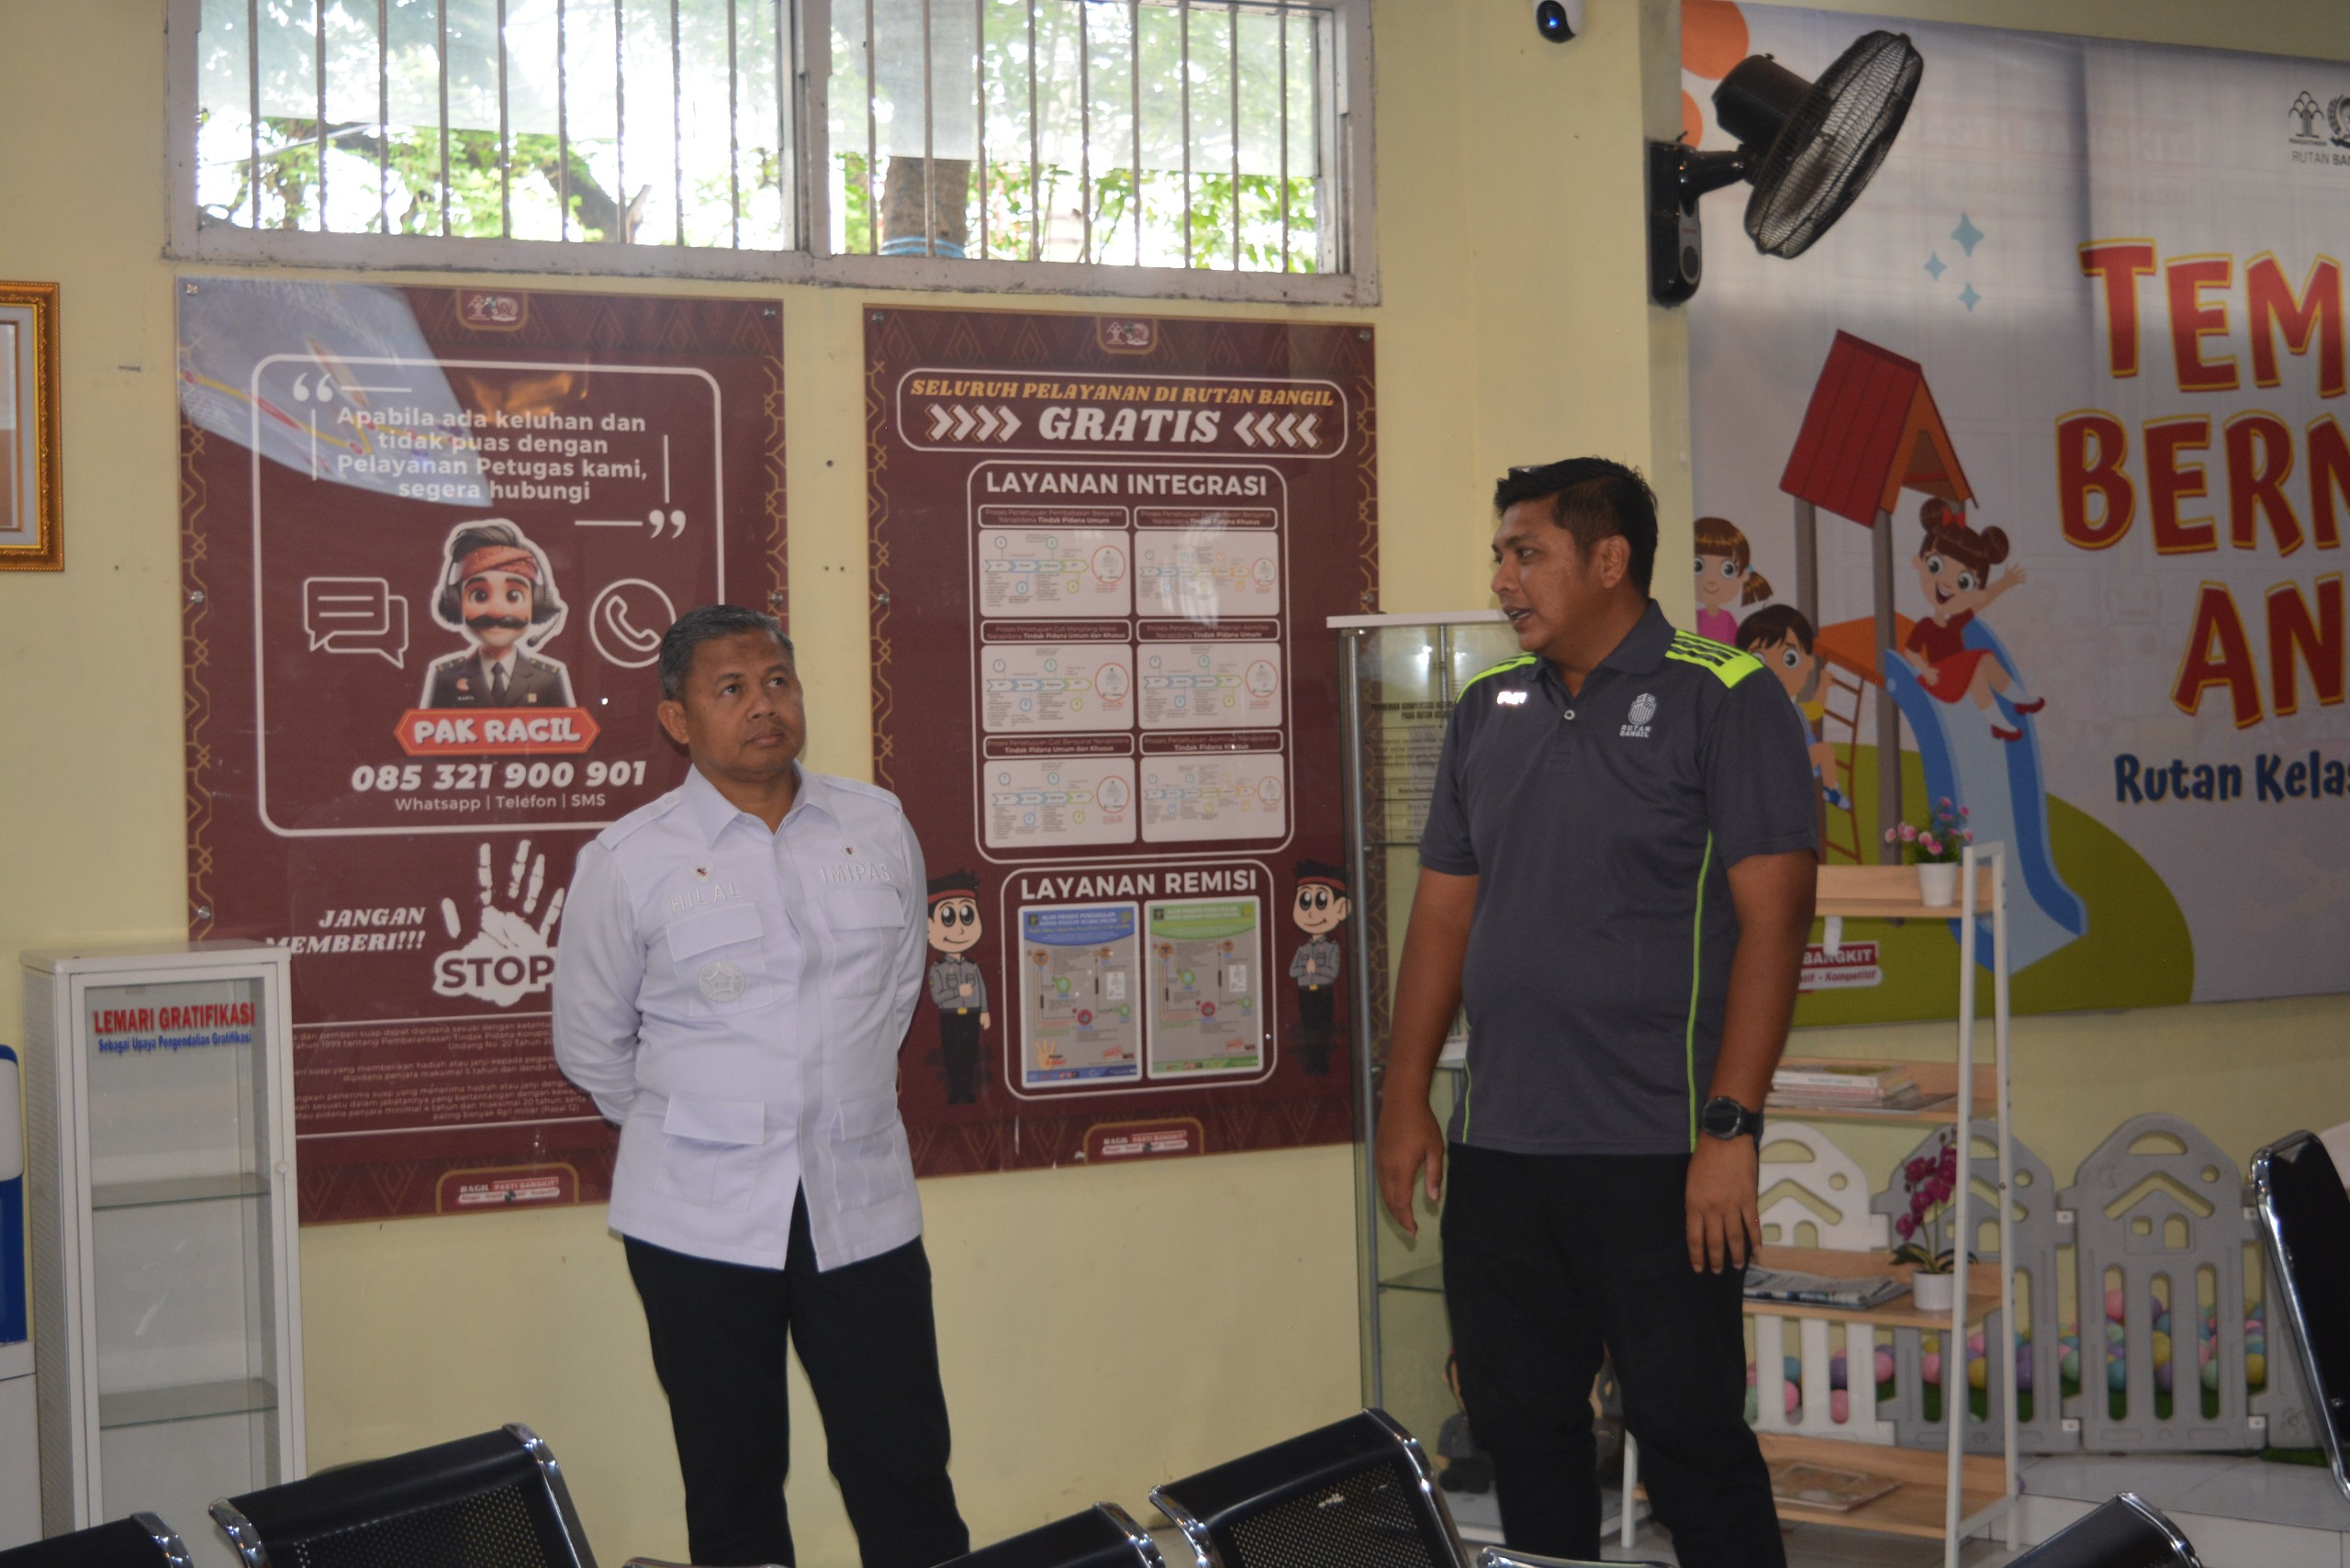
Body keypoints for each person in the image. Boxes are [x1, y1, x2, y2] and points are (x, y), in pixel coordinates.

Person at [1375, 459, 1818, 1568]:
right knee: (1521, 1429)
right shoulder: (1487, 708)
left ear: (1610, 559)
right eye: (1499, 555)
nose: (1502, 579)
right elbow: (1441, 916)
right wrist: (1404, 1096)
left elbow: (1774, 924)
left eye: (1526, 554)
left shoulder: (1725, 694)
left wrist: (1729, 1128)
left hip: (1660, 1151)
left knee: (1689, 1440)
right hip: (1502, 1150)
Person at [552, 604, 967, 1568]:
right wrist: (703, 1127)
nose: (763, 705)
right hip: (698, 1218)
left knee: (904, 1463)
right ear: (677, 719)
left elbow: (897, 989)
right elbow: (591, 1045)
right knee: (732, 1483)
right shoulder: (629, 861)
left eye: (777, 681)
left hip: (858, 1202)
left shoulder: (875, 824)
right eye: (731, 688)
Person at [1900, 498, 2040, 738]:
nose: (1947, 583)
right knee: (1977, 665)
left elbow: (1983, 601)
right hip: (1939, 680)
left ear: (1975, 590)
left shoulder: (1956, 622)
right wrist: (1925, 669)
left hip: (1957, 676)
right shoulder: (1926, 626)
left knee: (1983, 660)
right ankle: (1998, 720)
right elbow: (1910, 652)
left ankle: (2018, 700)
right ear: (1920, 562)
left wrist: (2005, 583)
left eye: (1963, 582)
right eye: (1935, 566)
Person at [421, 520, 576, 708]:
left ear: (537, 602)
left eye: (513, 596)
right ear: (455, 601)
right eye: (479, 595)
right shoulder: (446, 678)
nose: (497, 612)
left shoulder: (548, 679)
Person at [1735, 603, 1850, 811]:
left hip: (1798, 763)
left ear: (1808, 662)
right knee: (1823, 752)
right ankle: (1830, 789)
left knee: (1825, 751)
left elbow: (1815, 709)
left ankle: (1831, 789)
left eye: (1789, 659)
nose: (1775, 671)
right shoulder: (1756, 711)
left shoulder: (1795, 708)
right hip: (1779, 767)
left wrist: (1823, 685)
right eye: (1758, 660)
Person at [924, 871, 990, 1105]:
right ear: (929, 926)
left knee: (969, 1054)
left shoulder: (972, 966)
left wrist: (984, 1011)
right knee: (952, 1055)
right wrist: (957, 993)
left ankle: (966, 1091)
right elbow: (937, 996)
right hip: (951, 1016)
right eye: (948, 918)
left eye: (967, 916)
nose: (960, 930)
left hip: (971, 1015)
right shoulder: (938, 969)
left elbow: (980, 989)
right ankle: (955, 1091)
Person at [1287, 859, 1350, 1076]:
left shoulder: (1332, 948)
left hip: (1323, 990)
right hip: (1306, 991)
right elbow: (1293, 971)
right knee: (1308, 1025)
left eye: (1321, 902)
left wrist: (1315, 970)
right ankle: (1312, 1059)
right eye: (1305, 902)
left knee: (1323, 1027)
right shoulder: (1303, 948)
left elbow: (1332, 972)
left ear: (1341, 909)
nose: (1312, 913)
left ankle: (1321, 1060)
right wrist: (1307, 970)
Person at [1692, 514, 1772, 646]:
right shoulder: (1695, 617)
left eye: (1727, 569)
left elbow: (1736, 647)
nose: (1711, 580)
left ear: (1743, 574)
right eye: (1698, 566)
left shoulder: (1728, 619)